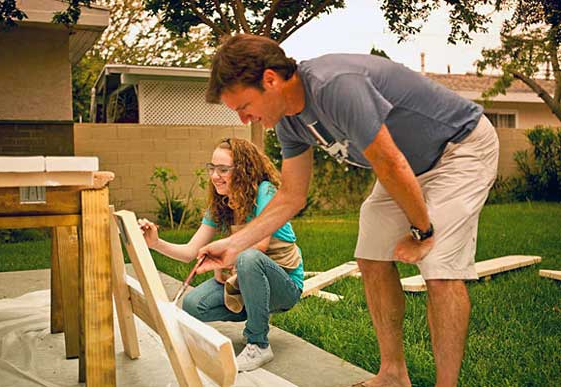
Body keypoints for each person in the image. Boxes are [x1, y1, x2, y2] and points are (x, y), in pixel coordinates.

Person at [197, 34, 499, 387]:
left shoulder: (336, 86)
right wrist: (234, 245)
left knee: (440, 266)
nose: (244, 116)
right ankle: (392, 375)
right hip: (405, 167)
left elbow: (389, 162)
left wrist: (423, 231)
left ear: (270, 80)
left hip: (459, 148)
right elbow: (292, 196)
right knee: (370, 255)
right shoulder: (289, 120)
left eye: (244, 105)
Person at [139, 138, 304, 372]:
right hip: (246, 280)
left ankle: (259, 343)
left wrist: (223, 261)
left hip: (284, 286)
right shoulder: (221, 204)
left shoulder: (265, 192)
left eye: (223, 169)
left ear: (244, 171)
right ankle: (255, 310)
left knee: (248, 258)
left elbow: (258, 247)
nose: (215, 175)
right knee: (194, 305)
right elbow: (189, 252)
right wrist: (155, 243)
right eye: (212, 168)